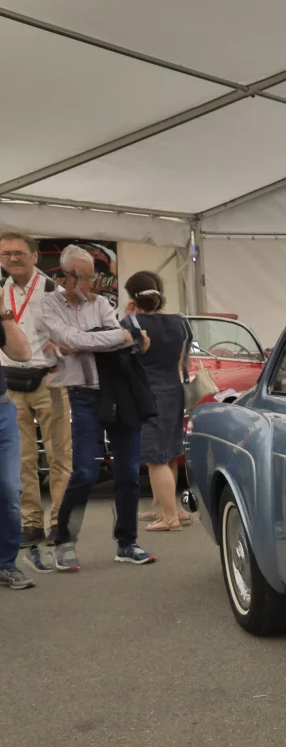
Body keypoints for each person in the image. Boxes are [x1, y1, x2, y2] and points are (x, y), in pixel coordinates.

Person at [34, 244, 154, 572]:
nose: (91, 284)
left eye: (92, 277)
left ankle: (127, 543)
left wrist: (114, 338)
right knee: (85, 472)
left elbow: (114, 341)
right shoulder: (49, 305)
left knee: (129, 472)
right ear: (65, 276)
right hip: (82, 395)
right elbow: (75, 340)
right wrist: (117, 337)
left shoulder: (100, 303)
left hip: (118, 392)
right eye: (84, 278)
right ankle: (64, 541)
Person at [1, 231, 69, 570]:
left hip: (50, 380)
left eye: (18, 253)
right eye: (6, 254)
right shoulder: (1, 292)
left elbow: (72, 334)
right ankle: (30, 521)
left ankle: (58, 520)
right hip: (10, 383)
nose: (12, 259)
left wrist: (64, 344)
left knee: (59, 454)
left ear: (34, 256)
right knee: (23, 459)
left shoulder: (54, 292)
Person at [123, 271, 191, 531]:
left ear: (133, 296)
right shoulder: (179, 321)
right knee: (170, 453)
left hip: (147, 393)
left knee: (155, 458)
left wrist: (128, 317)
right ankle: (175, 510)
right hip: (174, 389)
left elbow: (121, 352)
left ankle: (170, 517)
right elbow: (182, 361)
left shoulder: (133, 323)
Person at [0, 302, 35, 589]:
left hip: (2, 411)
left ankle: (6, 564)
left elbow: (22, 353)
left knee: (10, 490)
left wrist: (2, 312)